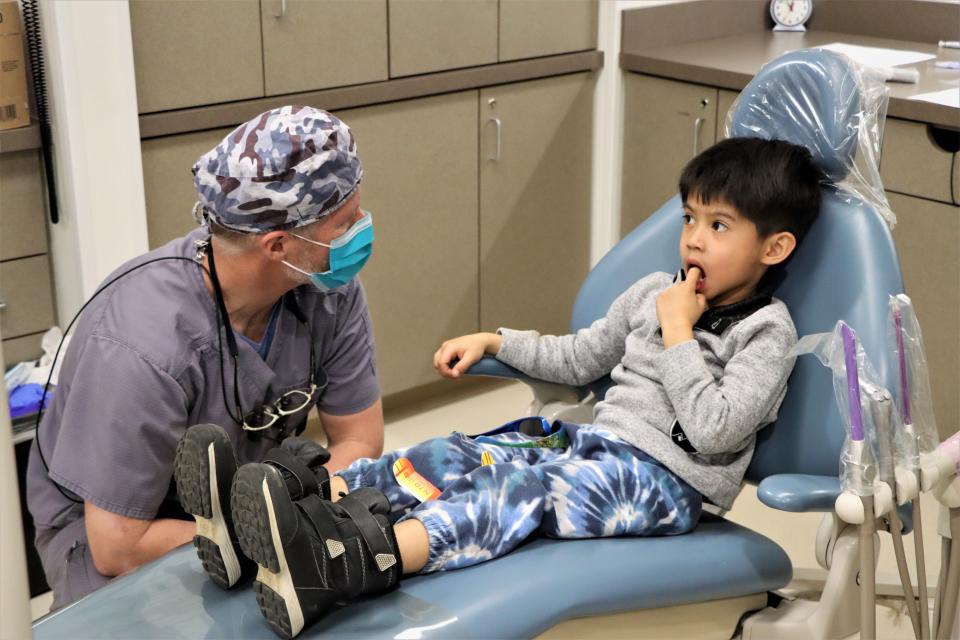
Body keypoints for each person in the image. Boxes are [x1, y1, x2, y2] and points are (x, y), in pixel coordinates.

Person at [179, 136, 823, 639]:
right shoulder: (655, 292)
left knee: (515, 490)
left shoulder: (765, 333)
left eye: (719, 226)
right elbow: (578, 358)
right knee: (452, 453)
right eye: (690, 217)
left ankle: (348, 563)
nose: (692, 239)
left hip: (664, 484)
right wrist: (496, 342)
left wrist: (679, 334)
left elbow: (716, 428)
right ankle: (290, 513)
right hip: (587, 445)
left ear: (775, 248)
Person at [26, 106, 385, 609]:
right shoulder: (140, 348)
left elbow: (360, 439)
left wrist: (279, 519)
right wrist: (265, 531)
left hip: (259, 501)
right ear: (279, 244)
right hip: (117, 527)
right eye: (346, 224)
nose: (362, 232)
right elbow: (117, 545)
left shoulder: (327, 289)